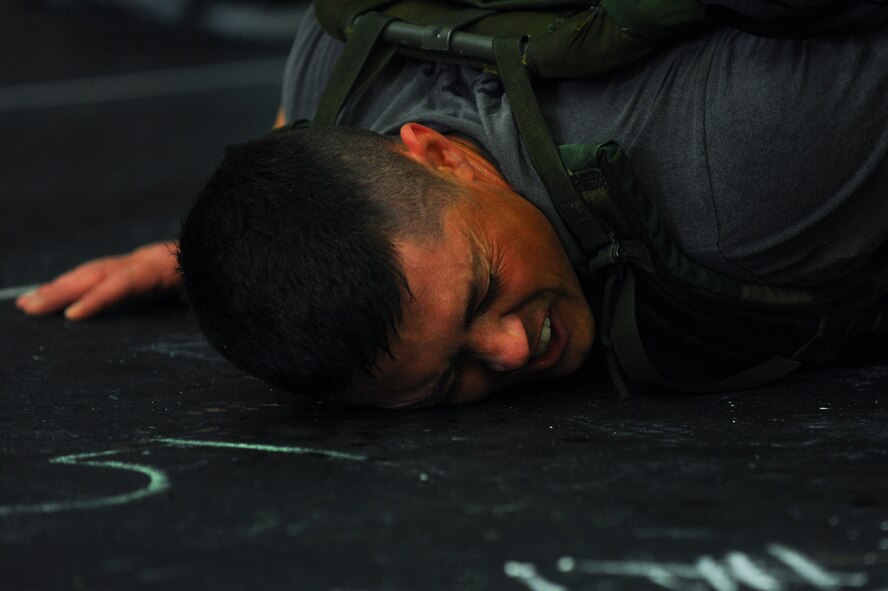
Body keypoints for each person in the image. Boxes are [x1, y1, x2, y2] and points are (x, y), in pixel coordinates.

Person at [17, 5, 888, 408]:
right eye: (449, 381)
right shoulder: (332, 72)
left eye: (480, 293)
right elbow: (298, 144)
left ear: (439, 155)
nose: (512, 349)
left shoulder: (736, 174)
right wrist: (200, 260)